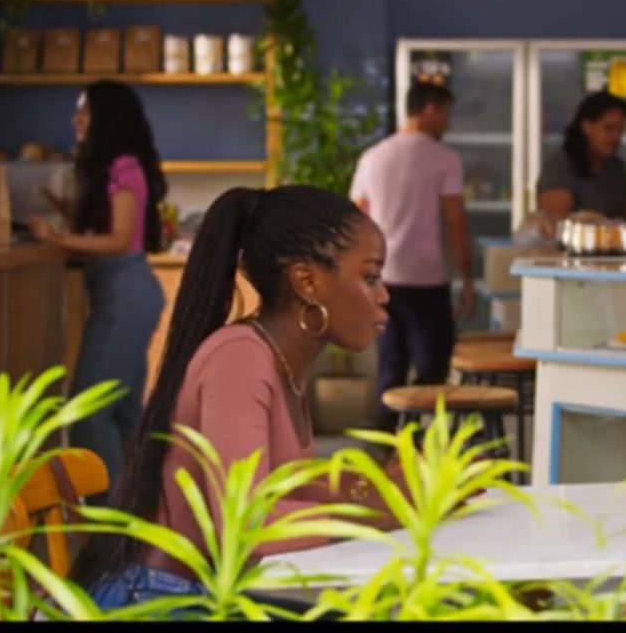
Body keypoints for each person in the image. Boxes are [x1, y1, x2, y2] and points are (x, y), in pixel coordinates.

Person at [69, 185, 404, 610]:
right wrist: (373, 515)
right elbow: (244, 527)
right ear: (307, 282)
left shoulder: (276, 360)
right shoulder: (241, 360)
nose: (383, 294)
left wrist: (385, 490)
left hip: (207, 594)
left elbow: (284, 489)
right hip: (160, 603)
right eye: (371, 277)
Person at [29, 80, 168, 503]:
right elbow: (113, 229)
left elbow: (118, 239)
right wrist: (65, 211)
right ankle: (133, 521)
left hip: (125, 292)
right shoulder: (114, 167)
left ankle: (108, 525)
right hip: (119, 292)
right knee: (124, 414)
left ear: (105, 118)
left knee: (88, 411)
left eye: (85, 112)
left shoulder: (124, 166)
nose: (77, 120)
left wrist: (57, 238)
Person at [350, 82, 474, 433]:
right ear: (430, 109)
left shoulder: (373, 157)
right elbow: (455, 221)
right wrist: (466, 277)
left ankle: (384, 452)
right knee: (433, 368)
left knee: (390, 364)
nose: (448, 123)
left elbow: (356, 219)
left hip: (381, 279)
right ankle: (423, 448)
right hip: (426, 280)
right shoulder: (444, 159)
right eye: (447, 113)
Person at [536, 90, 626, 232]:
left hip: (616, 250)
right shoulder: (560, 166)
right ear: (586, 127)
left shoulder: (616, 168)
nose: (615, 137)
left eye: (620, 130)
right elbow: (556, 227)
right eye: (608, 129)